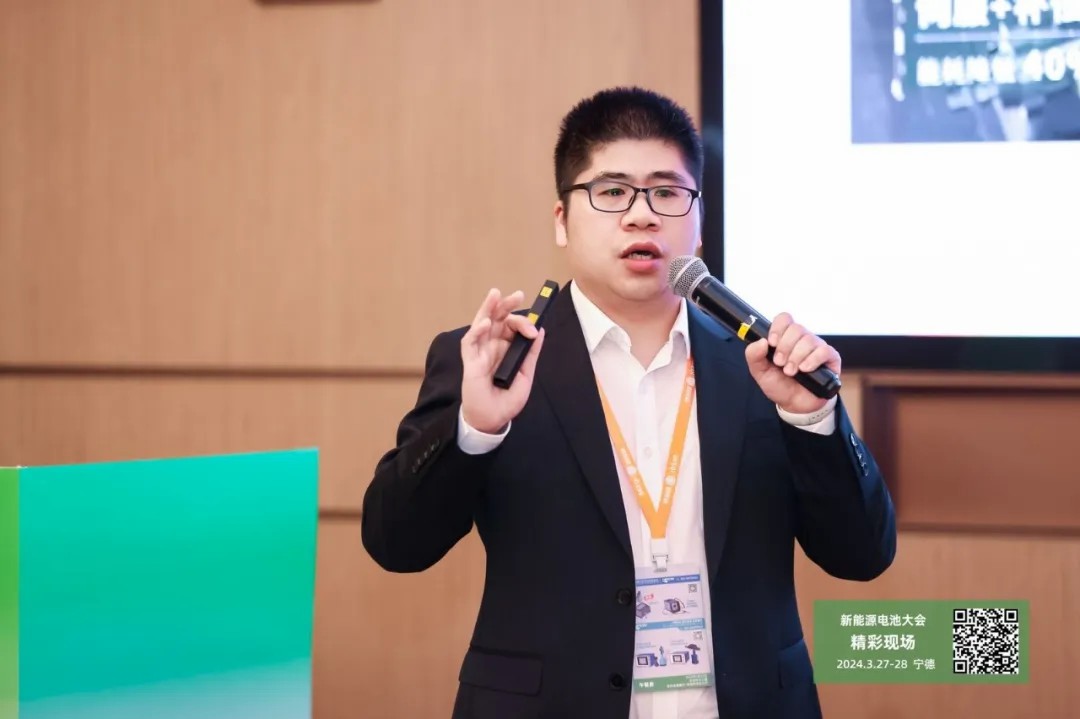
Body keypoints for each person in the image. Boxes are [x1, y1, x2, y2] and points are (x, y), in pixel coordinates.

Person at [361, 87, 896, 719]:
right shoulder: (494, 362)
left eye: (667, 193)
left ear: (699, 222)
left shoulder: (764, 366)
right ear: (561, 219)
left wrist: (810, 418)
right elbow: (397, 545)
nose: (642, 216)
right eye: (611, 192)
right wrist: (474, 427)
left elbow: (862, 556)